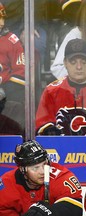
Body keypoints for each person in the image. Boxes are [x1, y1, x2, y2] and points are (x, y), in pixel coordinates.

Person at [0, 140, 83, 215]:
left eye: (44, 165)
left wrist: (52, 212)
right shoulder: (6, 184)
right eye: (35, 168)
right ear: (22, 169)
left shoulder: (61, 177)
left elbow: (75, 209)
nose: (42, 171)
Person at [0, 2, 25, 130]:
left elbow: (21, 71)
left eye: (2, 18)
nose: (1, 23)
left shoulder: (12, 40)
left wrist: (4, 90)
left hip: (5, 92)